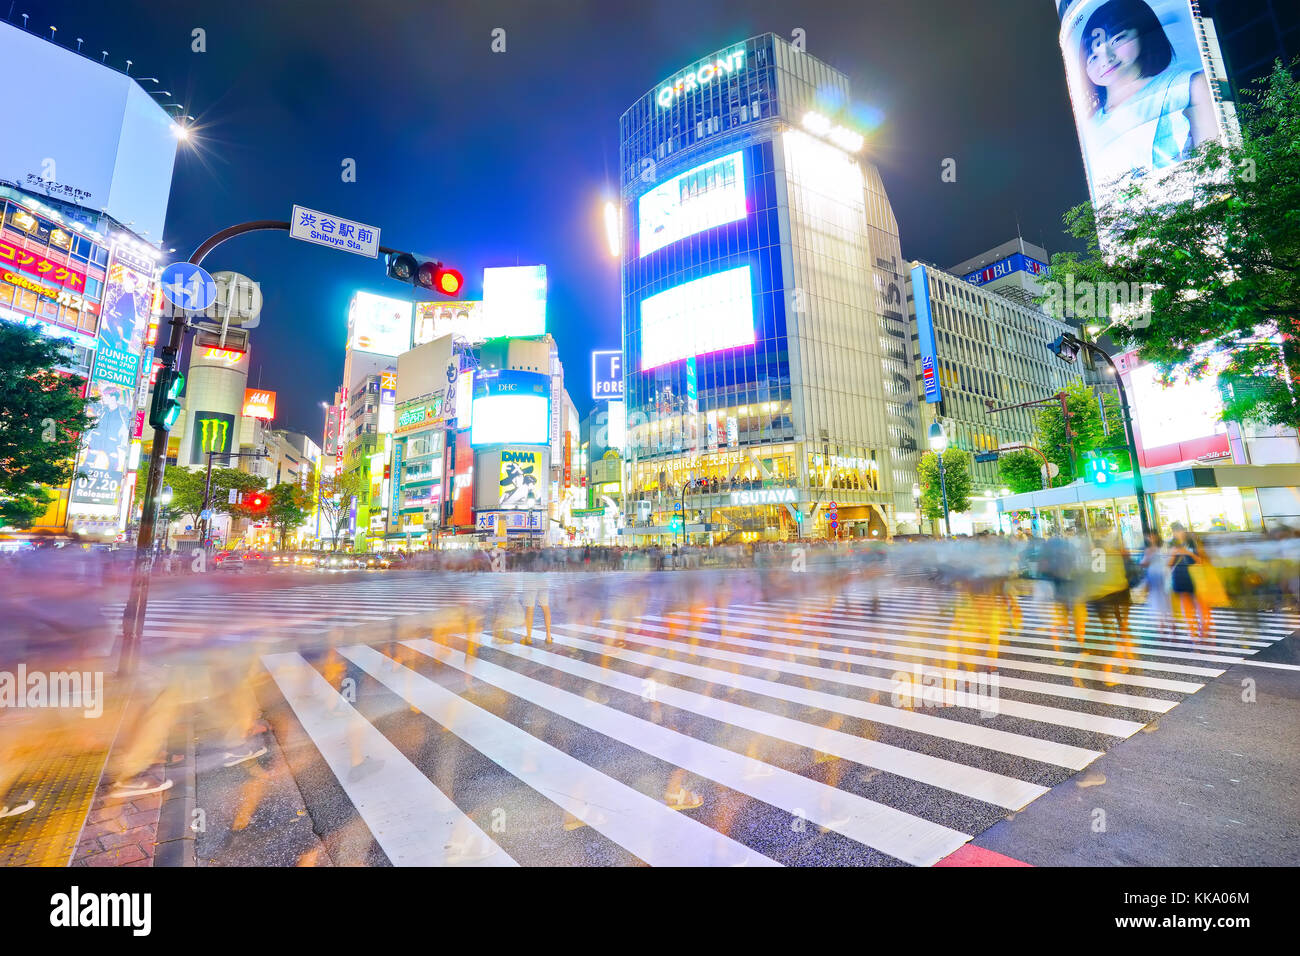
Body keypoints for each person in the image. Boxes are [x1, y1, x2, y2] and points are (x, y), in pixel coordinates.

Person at [1076, 0, 1218, 184]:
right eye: (1093, 56)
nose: (1107, 59)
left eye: (1117, 39)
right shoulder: (1089, 130)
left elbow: (1216, 164)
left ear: (1141, 31)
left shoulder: (1187, 87)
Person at [1168, 527, 1209, 639]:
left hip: (1195, 576)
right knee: (1185, 604)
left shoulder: (1193, 543)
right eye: (1175, 531)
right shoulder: (1172, 544)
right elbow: (1169, 564)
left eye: (1179, 530)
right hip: (1179, 576)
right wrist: (1173, 555)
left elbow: (1201, 561)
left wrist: (1188, 553)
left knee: (1199, 603)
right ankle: (1192, 630)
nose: (1177, 533)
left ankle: (1203, 628)